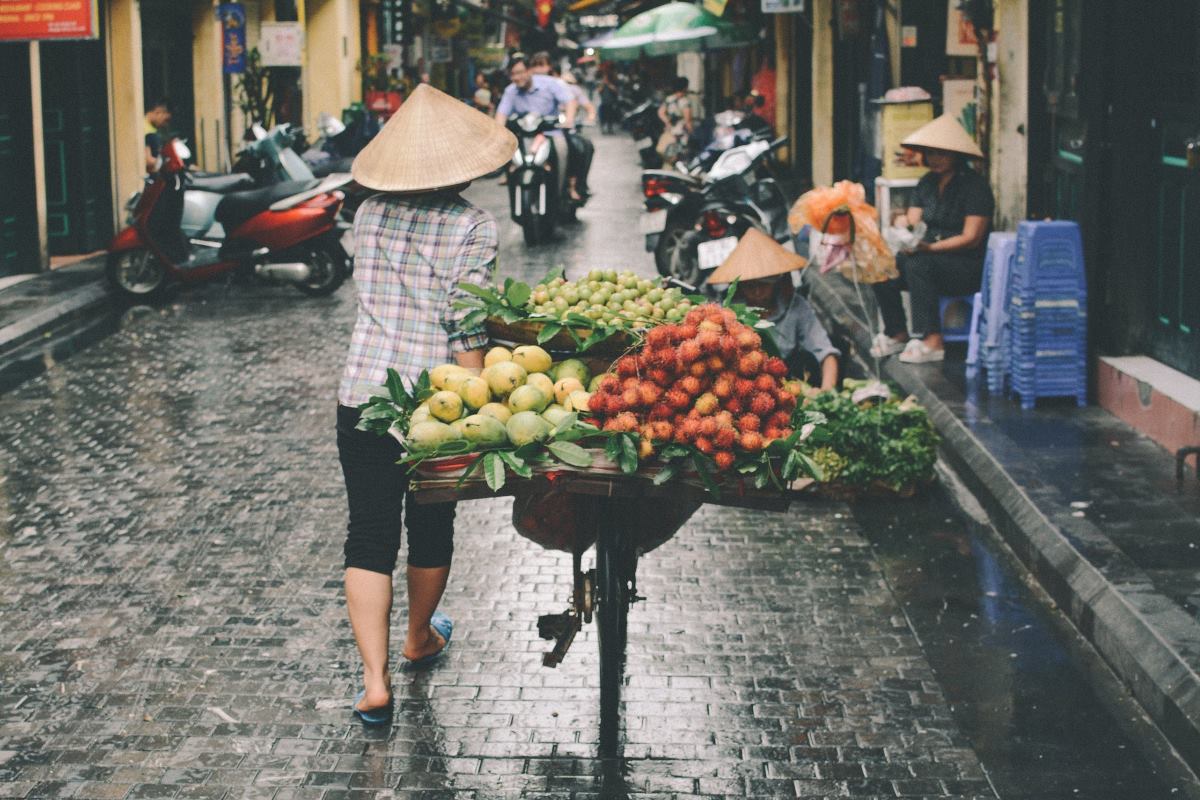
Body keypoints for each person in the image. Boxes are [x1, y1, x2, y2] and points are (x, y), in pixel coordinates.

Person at [339, 84, 517, 726]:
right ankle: (418, 638)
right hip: (433, 402)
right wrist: (477, 409)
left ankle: (373, 683)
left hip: (362, 393)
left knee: (369, 531)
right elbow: (466, 324)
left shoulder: (366, 214)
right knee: (432, 524)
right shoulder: (471, 225)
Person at [869, 115, 994, 363]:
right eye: (931, 153)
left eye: (942, 153)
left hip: (965, 264)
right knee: (881, 266)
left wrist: (932, 247)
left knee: (919, 264)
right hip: (929, 257)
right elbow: (914, 220)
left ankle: (932, 340)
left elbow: (972, 237)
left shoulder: (975, 187)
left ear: (956, 156)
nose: (935, 159)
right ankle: (896, 332)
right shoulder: (927, 183)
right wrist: (902, 227)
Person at [708, 229, 841, 390]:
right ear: (739, 286)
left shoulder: (795, 305)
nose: (757, 291)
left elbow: (826, 352)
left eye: (764, 284)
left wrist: (827, 394)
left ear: (777, 282)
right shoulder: (728, 311)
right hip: (742, 384)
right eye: (750, 286)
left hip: (787, 380)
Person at [495, 54, 579, 201]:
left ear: (529, 71)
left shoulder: (550, 84)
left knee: (562, 149)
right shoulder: (510, 91)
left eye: (520, 72)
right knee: (505, 150)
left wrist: (569, 120)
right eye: (513, 74)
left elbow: (570, 101)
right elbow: (501, 114)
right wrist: (497, 133)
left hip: (551, 133)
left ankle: (561, 189)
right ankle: (511, 181)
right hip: (523, 135)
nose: (516, 77)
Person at [657, 77, 698, 164]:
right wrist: (693, 133)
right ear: (685, 87)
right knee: (681, 154)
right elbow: (688, 121)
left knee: (668, 152)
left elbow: (661, 112)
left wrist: (667, 122)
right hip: (681, 131)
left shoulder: (669, 99)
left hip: (670, 130)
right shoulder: (685, 102)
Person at [144, 97, 172, 173]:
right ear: (158, 112)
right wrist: (168, 163)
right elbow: (148, 160)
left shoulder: (153, 129)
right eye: (166, 120)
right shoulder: (144, 130)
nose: (166, 124)